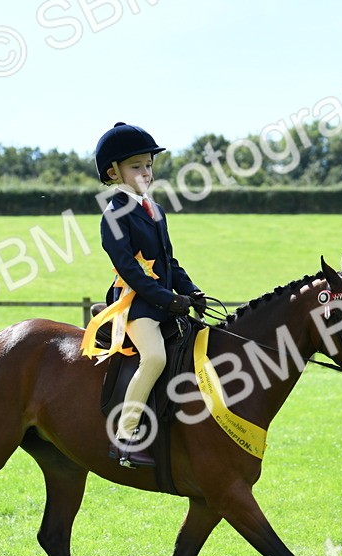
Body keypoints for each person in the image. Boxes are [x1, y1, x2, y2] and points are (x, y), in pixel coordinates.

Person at [80, 122, 206, 468]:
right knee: (155, 359)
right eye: (136, 166)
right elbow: (131, 271)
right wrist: (168, 300)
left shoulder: (155, 210)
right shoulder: (114, 215)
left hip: (165, 303)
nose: (146, 172)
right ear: (114, 172)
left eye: (148, 165)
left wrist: (191, 290)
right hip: (135, 306)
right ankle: (126, 438)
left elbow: (169, 261)